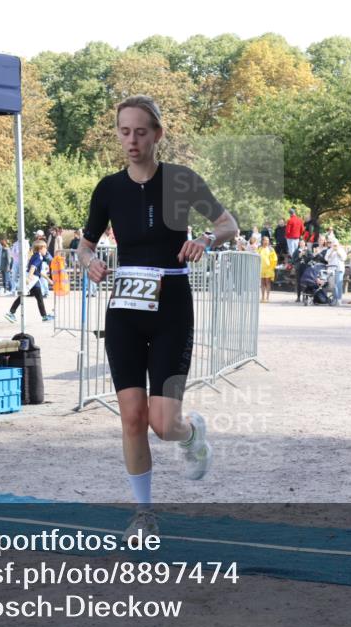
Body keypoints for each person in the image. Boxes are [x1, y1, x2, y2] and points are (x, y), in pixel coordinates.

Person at [76, 95, 238, 541]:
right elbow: (84, 244)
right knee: (131, 416)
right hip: (125, 309)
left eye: (141, 131)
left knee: (163, 424)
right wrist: (87, 259)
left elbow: (230, 225)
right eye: (124, 131)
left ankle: (190, 434)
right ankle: (143, 513)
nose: (131, 140)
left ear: (158, 134)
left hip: (172, 306)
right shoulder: (108, 188)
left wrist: (206, 238)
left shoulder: (181, 180)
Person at [5, 239, 54, 323]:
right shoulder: (38, 256)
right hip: (32, 278)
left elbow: (39, 271)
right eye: (45, 248)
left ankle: (44, 316)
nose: (46, 250)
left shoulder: (38, 256)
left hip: (35, 279)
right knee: (22, 295)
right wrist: (29, 278)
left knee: (39, 297)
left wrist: (48, 279)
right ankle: (10, 313)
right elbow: (33, 267)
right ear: (40, 248)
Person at [325, 239, 346, 306]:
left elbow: (344, 258)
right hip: (331, 269)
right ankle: (334, 299)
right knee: (333, 285)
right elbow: (326, 259)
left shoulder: (341, 250)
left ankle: (339, 299)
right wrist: (332, 252)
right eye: (333, 244)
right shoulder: (329, 250)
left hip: (339, 269)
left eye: (336, 244)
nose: (334, 245)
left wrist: (338, 252)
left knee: (338, 285)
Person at [258, 236, 277, 303]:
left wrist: (272, 267)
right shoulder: (259, 248)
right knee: (262, 283)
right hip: (261, 268)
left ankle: (267, 297)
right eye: (265, 240)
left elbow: (274, 259)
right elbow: (257, 257)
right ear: (262, 241)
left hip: (269, 268)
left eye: (268, 240)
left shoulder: (271, 249)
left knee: (267, 282)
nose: (266, 242)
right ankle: (262, 297)